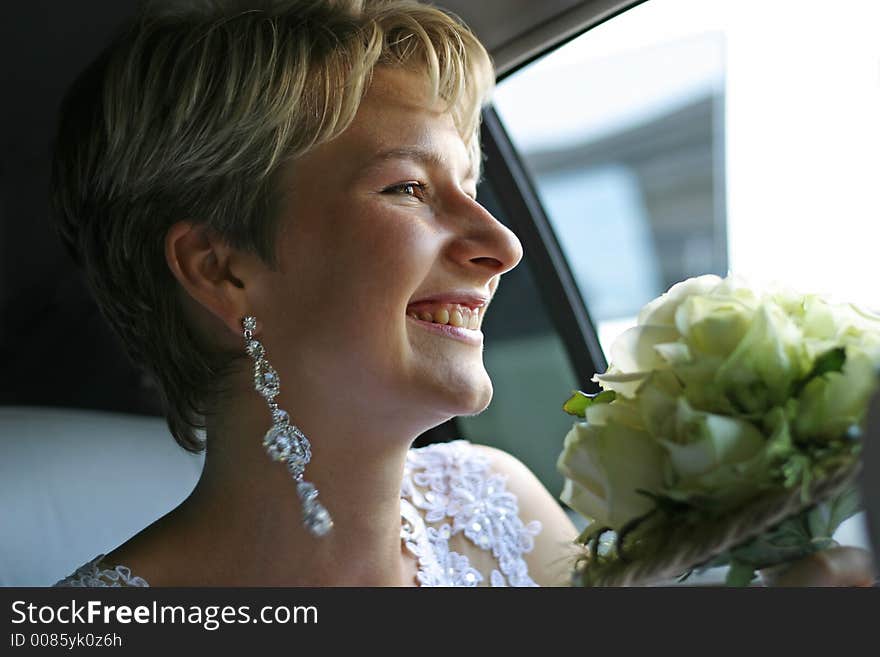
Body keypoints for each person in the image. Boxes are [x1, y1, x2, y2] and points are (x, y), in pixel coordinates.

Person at [51, 0, 873, 587]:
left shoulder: (493, 502)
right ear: (221, 269)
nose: (503, 245)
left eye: (473, 186)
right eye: (408, 188)